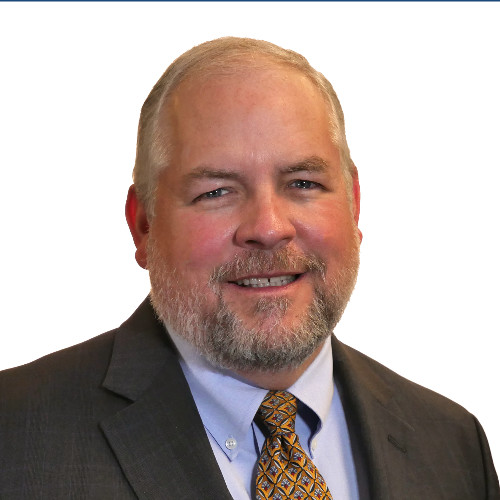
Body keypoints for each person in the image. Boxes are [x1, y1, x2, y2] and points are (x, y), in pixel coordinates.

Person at [0, 37, 498, 500]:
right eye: (216, 191)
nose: (269, 227)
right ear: (144, 226)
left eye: (303, 183)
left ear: (354, 205)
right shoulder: (14, 437)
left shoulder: (453, 445)